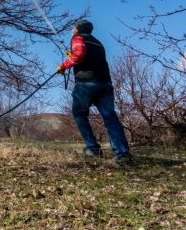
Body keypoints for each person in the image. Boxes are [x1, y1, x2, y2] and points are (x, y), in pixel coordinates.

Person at [56, 20, 132, 164]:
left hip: (86, 84)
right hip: (105, 84)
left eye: (73, 28)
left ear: (78, 29)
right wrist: (71, 57)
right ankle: (122, 154)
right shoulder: (98, 42)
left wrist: (64, 66)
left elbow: (79, 55)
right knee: (110, 117)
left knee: (79, 114)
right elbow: (82, 56)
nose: (72, 30)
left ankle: (93, 149)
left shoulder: (77, 38)